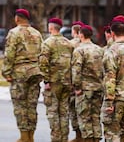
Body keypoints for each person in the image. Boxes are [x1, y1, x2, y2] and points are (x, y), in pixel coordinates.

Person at [2, 9, 43, 142]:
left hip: (20, 74)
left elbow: (9, 54)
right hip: (35, 73)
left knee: (20, 106)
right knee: (32, 105)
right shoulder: (37, 33)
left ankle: (24, 136)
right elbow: (42, 54)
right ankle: (31, 136)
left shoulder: (14, 33)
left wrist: (7, 73)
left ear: (17, 18)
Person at [39, 18, 73, 142]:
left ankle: (56, 139)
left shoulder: (47, 43)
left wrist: (46, 81)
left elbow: (43, 63)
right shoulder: (68, 43)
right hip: (66, 83)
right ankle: (64, 139)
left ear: (51, 27)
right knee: (64, 113)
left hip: (53, 83)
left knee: (53, 113)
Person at [72, 25, 104, 142]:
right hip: (98, 87)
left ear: (81, 35)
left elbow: (76, 70)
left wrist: (77, 86)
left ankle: (88, 139)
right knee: (96, 116)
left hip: (85, 88)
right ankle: (96, 139)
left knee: (84, 117)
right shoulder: (99, 50)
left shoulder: (79, 50)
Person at [69, 20, 85, 142]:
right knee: (85, 111)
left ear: (74, 31)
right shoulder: (90, 45)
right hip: (88, 83)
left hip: (73, 81)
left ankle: (78, 135)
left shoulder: (70, 44)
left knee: (73, 109)